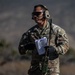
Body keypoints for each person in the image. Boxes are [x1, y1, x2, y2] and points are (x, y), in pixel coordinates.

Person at [18, 4, 69, 75]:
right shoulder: (30, 32)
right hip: (35, 70)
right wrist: (26, 47)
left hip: (51, 70)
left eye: (38, 13)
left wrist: (55, 50)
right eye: (34, 14)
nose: (35, 16)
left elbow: (65, 46)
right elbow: (21, 50)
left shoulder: (56, 30)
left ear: (46, 14)